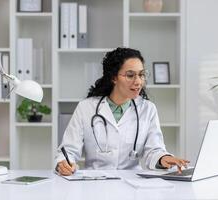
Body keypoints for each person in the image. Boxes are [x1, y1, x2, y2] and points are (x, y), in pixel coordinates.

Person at [55, 47, 189, 176]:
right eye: (130, 75)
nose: (138, 82)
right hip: (95, 183)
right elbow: (69, 150)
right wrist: (64, 163)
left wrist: (163, 158)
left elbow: (154, 150)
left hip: (132, 183)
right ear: (114, 78)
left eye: (141, 75)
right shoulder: (86, 108)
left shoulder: (148, 109)